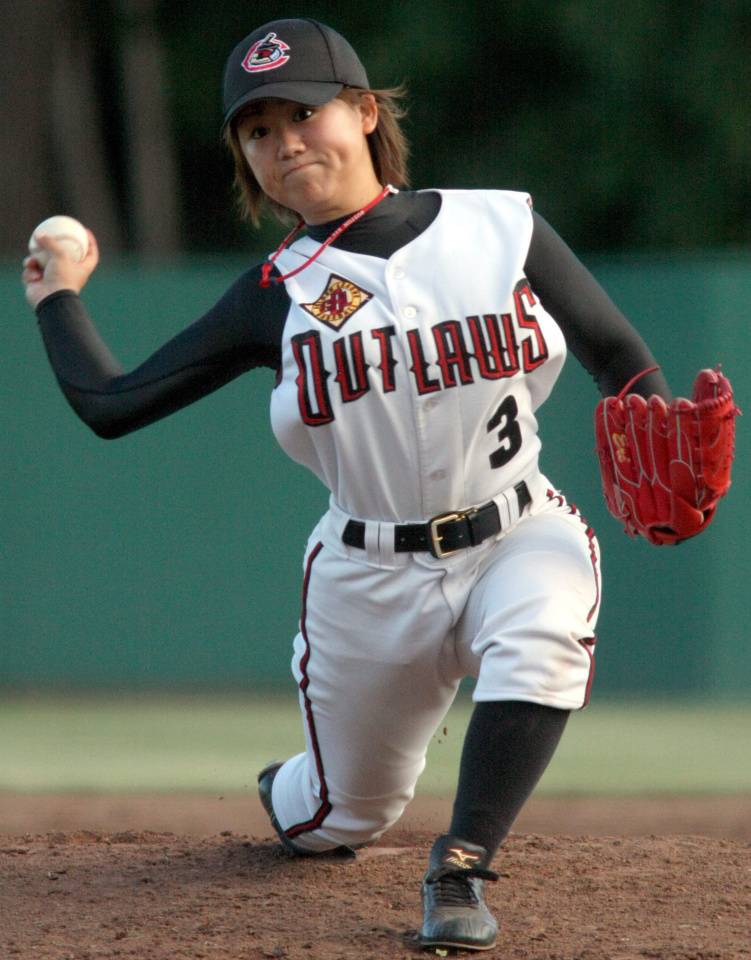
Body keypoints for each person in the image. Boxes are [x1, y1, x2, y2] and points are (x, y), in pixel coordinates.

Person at [22, 17, 672, 953]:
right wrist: (58, 299)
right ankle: (292, 789)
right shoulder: (274, 293)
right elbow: (113, 404)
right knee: (337, 816)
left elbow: (619, 355)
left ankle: (460, 867)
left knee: (542, 631)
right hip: (368, 576)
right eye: (258, 129)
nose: (285, 141)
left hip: (515, 526)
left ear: (365, 112)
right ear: (245, 155)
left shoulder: (498, 224)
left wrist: (647, 412)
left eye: (306, 112)